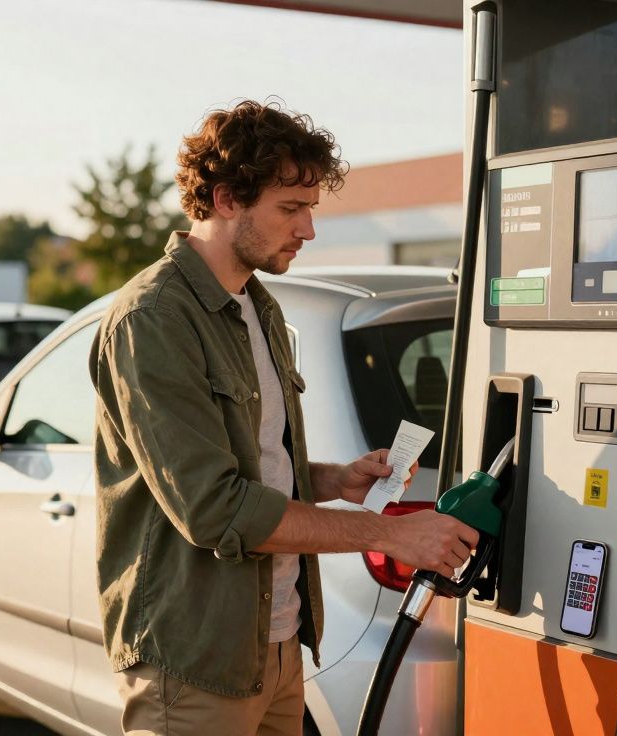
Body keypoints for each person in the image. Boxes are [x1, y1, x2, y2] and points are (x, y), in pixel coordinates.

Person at [89, 99, 478, 736]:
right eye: (290, 210)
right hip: (197, 659)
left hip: (278, 645)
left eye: (310, 210)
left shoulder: (257, 306)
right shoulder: (153, 320)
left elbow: (251, 458)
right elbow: (214, 508)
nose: (308, 231)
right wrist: (387, 536)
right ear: (224, 199)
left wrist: (331, 478)